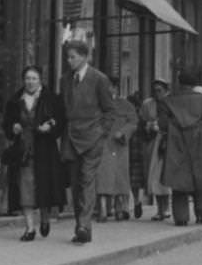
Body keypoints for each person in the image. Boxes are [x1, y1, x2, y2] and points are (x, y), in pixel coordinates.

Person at [60, 39, 121, 244]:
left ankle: (84, 226)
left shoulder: (99, 79)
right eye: (67, 57)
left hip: (92, 138)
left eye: (73, 57)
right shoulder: (65, 80)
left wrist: (101, 133)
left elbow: (110, 110)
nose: (69, 61)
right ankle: (80, 225)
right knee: (76, 183)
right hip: (71, 138)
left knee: (87, 179)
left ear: (85, 57)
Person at [2, 65, 66, 242]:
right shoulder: (15, 100)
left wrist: (50, 127)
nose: (30, 82)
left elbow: (60, 121)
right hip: (24, 151)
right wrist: (13, 128)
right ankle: (29, 228)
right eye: (27, 78)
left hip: (44, 150)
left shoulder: (51, 99)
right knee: (25, 187)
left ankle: (45, 218)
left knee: (44, 186)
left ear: (40, 80)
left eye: (34, 78)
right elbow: (6, 124)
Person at [158, 67, 202, 226]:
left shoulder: (168, 101)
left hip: (176, 142)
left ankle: (181, 217)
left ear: (179, 82)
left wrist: (174, 127)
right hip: (200, 141)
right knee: (201, 179)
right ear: (195, 83)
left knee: (179, 179)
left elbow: (162, 124)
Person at [94, 76, 137, 221]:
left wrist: (123, 132)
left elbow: (133, 123)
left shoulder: (126, 105)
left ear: (116, 88)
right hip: (103, 144)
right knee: (102, 177)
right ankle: (102, 209)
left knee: (120, 177)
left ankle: (120, 208)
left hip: (119, 146)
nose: (107, 90)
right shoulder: (97, 105)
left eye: (110, 87)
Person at [132, 77, 166, 219]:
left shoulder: (170, 103)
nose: (157, 93)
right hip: (152, 143)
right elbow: (141, 122)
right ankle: (160, 209)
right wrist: (147, 126)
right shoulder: (148, 104)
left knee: (164, 176)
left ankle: (166, 208)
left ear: (165, 90)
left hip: (166, 143)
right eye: (154, 91)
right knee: (154, 177)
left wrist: (162, 126)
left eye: (160, 90)